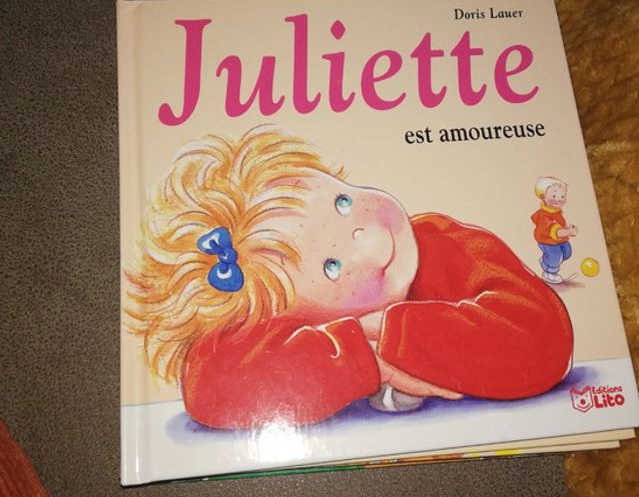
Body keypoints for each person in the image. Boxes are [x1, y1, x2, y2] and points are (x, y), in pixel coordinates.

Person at [126, 128, 573, 429]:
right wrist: (366, 357)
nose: (375, 241)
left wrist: (391, 330)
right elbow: (209, 385)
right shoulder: (292, 319)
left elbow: (543, 342)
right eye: (331, 267)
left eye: (341, 203)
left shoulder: (441, 243)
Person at [531, 177, 578, 284]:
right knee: (555, 257)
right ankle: (549, 273)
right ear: (543, 197)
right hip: (547, 241)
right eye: (554, 196)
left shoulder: (555, 211)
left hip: (559, 239)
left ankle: (545, 261)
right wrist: (568, 232)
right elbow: (554, 230)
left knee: (567, 253)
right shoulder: (544, 215)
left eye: (562, 196)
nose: (560, 199)